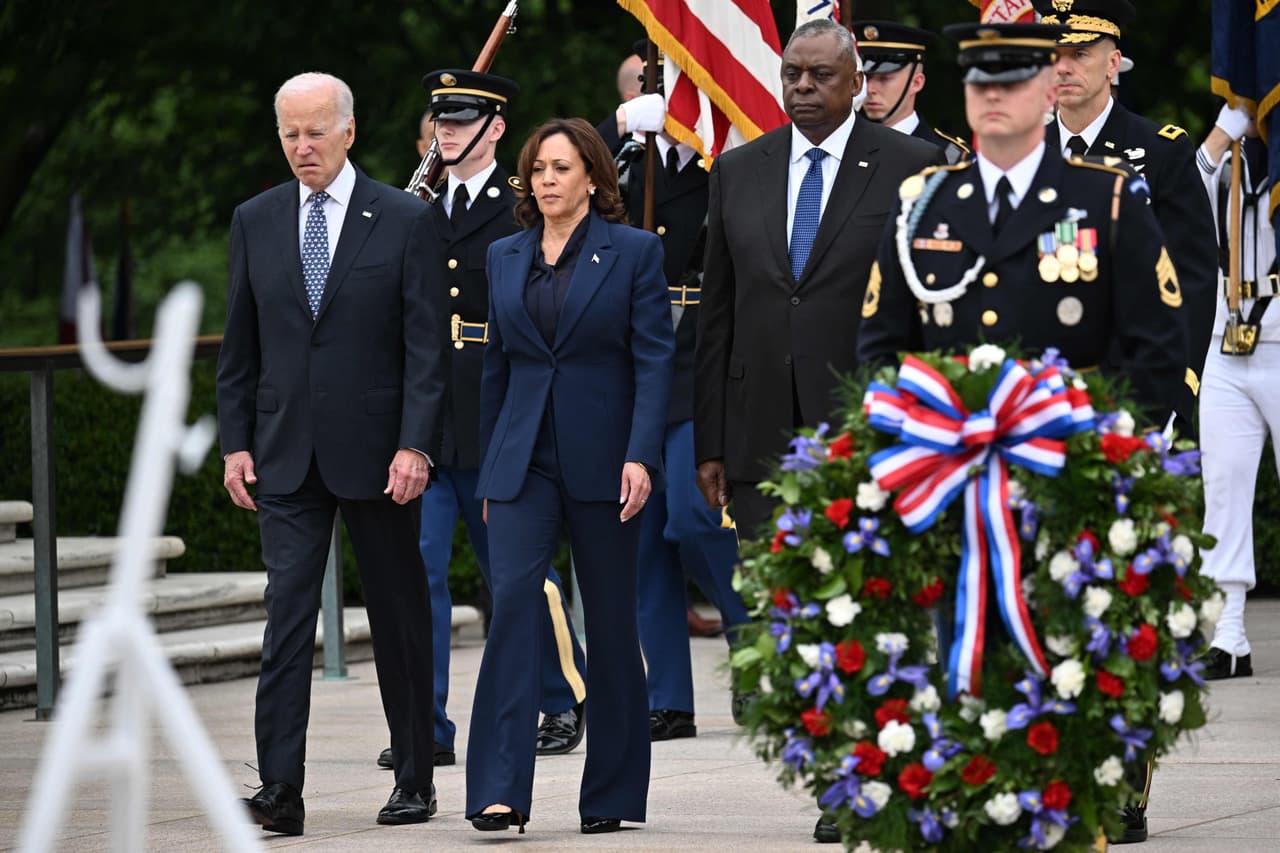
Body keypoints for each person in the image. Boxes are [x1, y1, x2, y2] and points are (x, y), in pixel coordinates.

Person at [858, 22, 1190, 846]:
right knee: (957, 683)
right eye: (980, 84)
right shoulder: (923, 203)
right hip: (951, 499)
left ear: (1050, 89)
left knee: (1064, 693)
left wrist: (1102, 455)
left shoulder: (1107, 201)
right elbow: (880, 349)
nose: (995, 96)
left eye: (1012, 80)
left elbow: (1157, 354)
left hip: (1067, 491)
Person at [216, 72, 446, 834]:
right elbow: (240, 346)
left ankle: (415, 774)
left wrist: (417, 443)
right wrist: (235, 442)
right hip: (284, 455)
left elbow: (425, 350)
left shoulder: (405, 218)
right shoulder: (254, 219)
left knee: (398, 615)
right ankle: (280, 789)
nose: (302, 146)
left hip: (381, 454)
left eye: (316, 131)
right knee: (286, 622)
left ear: (350, 130)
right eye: (290, 133)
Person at [374, 71, 590, 777]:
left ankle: (560, 696)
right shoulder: (413, 211)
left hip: (501, 410)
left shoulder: (527, 207)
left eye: (463, 120)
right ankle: (428, 723)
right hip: (430, 421)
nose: (449, 132)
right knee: (421, 572)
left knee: (516, 571)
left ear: (496, 128)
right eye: (441, 120)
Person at [465, 118, 674, 835]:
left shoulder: (635, 253)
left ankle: (611, 793)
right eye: (539, 169)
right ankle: (498, 789)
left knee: (612, 621)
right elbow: (497, 367)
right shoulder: (504, 254)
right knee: (514, 607)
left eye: (561, 167)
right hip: (522, 462)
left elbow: (654, 361)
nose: (548, 179)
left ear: (592, 175)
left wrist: (643, 455)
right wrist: (492, 468)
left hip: (608, 457)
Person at [694, 18, 943, 539]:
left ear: (855, 83)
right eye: (792, 74)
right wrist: (711, 443)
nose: (803, 86)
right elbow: (716, 315)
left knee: (861, 603)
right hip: (758, 435)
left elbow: (929, 310)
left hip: (867, 429)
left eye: (821, 74)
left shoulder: (912, 165)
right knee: (773, 607)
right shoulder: (736, 170)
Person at [596, 54, 753, 740]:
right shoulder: (620, 166)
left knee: (694, 516)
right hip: (626, 361)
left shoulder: (729, 163)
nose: (654, 99)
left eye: (665, 87)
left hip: (696, 358)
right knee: (640, 538)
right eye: (641, 90)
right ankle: (669, 695)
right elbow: (557, 172)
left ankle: (755, 648)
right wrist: (617, 129)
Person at [1033, 0, 1216, 431]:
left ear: (1113, 63)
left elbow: (1192, 277)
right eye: (1053, 55)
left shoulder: (1161, 151)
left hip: (1133, 389)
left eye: (1078, 54)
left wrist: (1176, 394)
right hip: (1033, 389)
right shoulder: (1021, 151)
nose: (1062, 68)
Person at [1194, 100, 1277, 680]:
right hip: (1228, 334)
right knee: (1221, 489)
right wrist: (1224, 133)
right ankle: (1229, 634)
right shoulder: (1233, 156)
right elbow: (1182, 197)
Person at [852, 20, 971, 163]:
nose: (869, 89)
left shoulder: (949, 156)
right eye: (866, 78)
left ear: (916, 83)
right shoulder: (844, 147)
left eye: (884, 79)